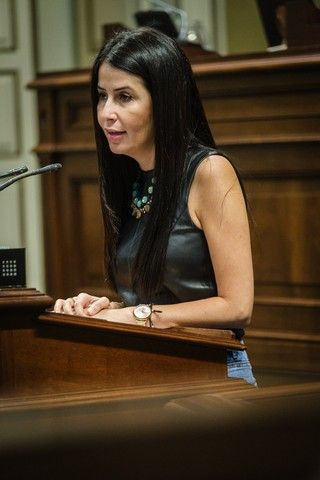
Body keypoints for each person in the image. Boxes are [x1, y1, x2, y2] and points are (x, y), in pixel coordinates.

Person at [54, 27, 256, 385]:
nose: (106, 113)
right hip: (147, 368)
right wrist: (105, 309)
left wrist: (133, 316)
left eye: (124, 97)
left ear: (163, 102)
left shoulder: (209, 172)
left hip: (212, 371)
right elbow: (156, 300)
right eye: (102, 97)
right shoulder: (133, 179)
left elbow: (237, 307)